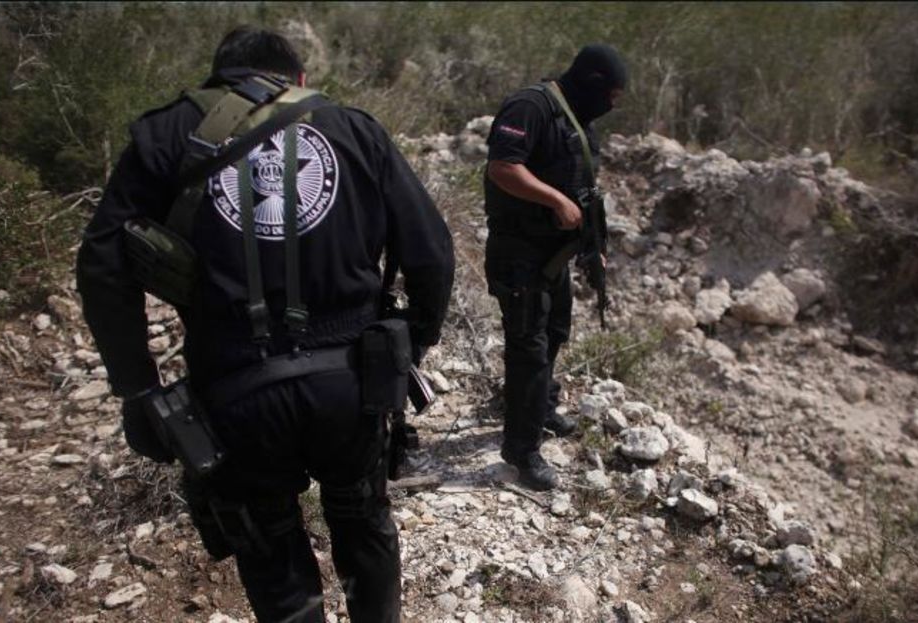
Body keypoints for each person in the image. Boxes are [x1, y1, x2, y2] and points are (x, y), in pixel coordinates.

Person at [75, 26, 454, 623]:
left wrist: (138, 389)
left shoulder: (166, 134)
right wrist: (414, 342)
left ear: (217, 79)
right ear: (298, 79)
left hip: (234, 390)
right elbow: (431, 251)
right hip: (350, 381)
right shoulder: (353, 129)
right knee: (363, 519)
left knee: (268, 539)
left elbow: (102, 266)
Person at [484, 44, 627, 491]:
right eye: (613, 95)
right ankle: (522, 453)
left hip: (554, 255)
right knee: (528, 347)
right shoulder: (531, 106)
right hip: (519, 252)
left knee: (555, 332)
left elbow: (582, 188)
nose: (614, 105)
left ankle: (540, 408)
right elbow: (503, 167)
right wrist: (555, 200)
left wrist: (593, 247)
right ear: (592, 82)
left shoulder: (576, 119)